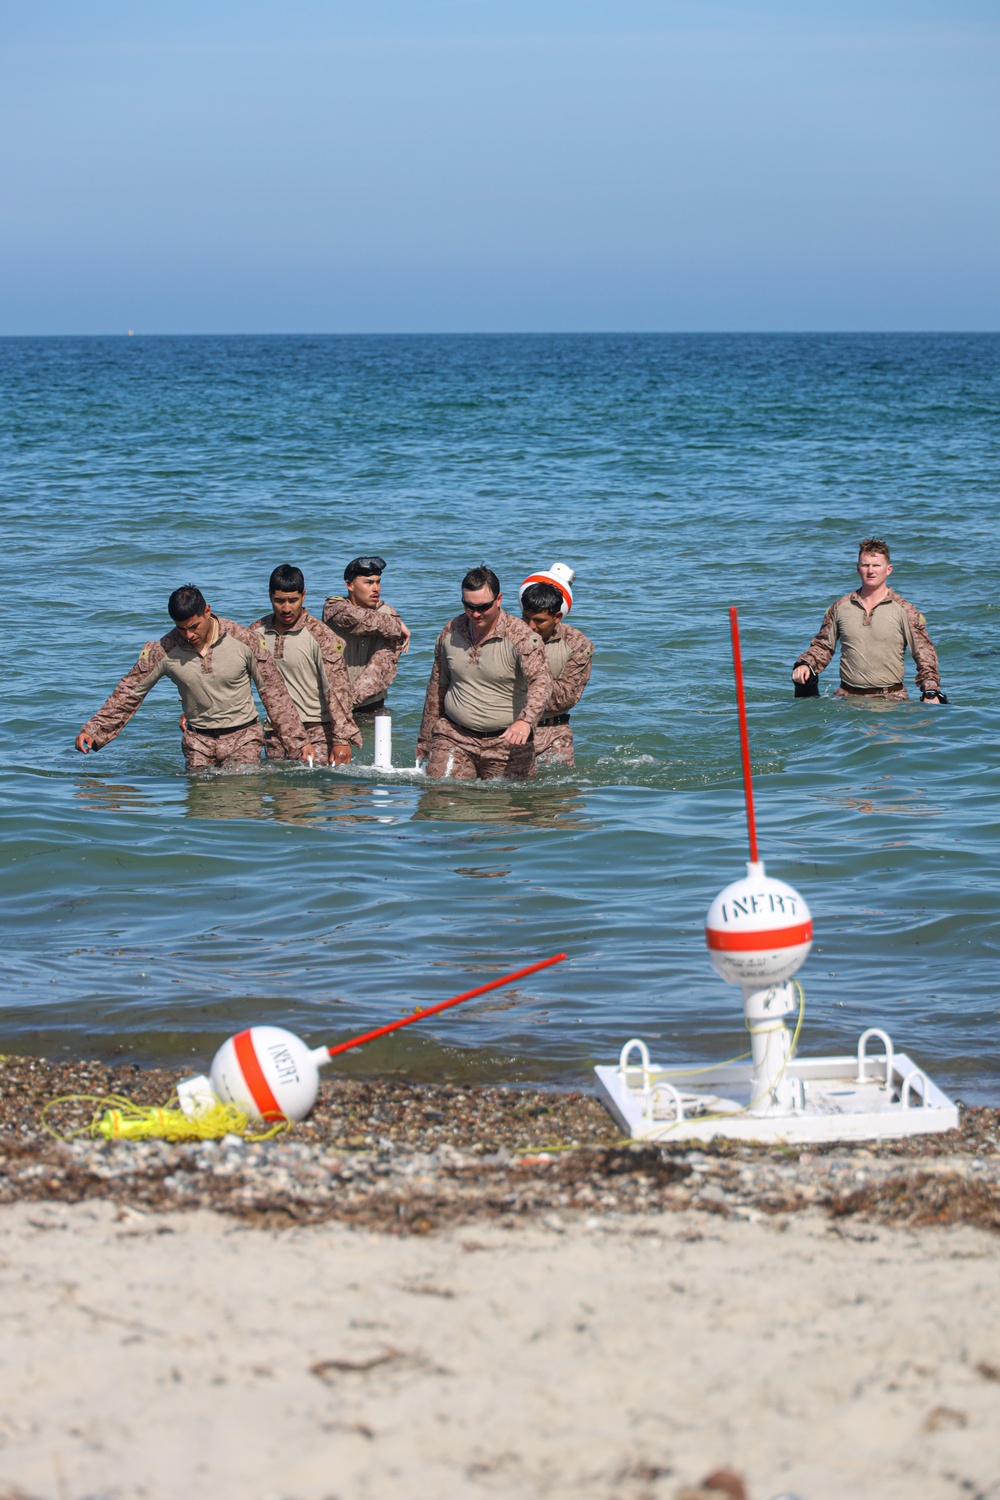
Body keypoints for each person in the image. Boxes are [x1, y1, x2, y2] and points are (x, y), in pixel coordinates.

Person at [75, 586, 315, 770]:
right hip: (197, 741)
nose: (188, 635)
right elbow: (129, 692)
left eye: (194, 626)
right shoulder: (164, 650)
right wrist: (95, 730)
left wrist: (297, 742)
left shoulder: (244, 640)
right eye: (181, 628)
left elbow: (274, 693)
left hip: (244, 738)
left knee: (242, 802)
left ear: (207, 611)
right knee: (200, 813)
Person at [416, 565, 553, 779]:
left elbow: (542, 682)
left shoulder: (522, 637)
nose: (475, 614)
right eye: (468, 606)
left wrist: (525, 721)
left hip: (507, 743)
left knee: (508, 809)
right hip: (453, 736)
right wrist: (425, 739)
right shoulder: (450, 631)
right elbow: (437, 685)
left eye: (483, 607)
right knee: (439, 799)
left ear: (499, 600)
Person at [791, 538, 945, 703]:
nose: (871, 571)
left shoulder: (905, 611)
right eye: (865, 565)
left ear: (888, 569)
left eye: (876, 565)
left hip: (891, 699)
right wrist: (805, 664)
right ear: (858, 569)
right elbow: (822, 646)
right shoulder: (841, 607)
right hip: (847, 698)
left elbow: (924, 655)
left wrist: (930, 691)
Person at [251, 564, 362, 766]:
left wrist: (341, 740)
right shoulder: (255, 633)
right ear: (269, 596)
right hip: (276, 733)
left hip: (317, 731)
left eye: (292, 600)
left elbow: (338, 690)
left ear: (304, 596)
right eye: (279, 601)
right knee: (281, 794)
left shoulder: (321, 636)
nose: (286, 608)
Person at [519, 566, 593, 767]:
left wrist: (518, 685)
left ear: (557, 617)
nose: (531, 626)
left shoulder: (578, 644)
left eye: (539, 621)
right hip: (509, 730)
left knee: (556, 795)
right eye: (526, 618)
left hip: (553, 733)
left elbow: (565, 697)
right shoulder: (509, 634)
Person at [322, 556, 410, 718]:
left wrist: (350, 700)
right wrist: (396, 625)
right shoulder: (334, 608)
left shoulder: (386, 614)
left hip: (370, 706)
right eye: (369, 583)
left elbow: (382, 666)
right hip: (334, 707)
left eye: (378, 582)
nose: (376, 588)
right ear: (349, 585)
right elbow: (353, 618)